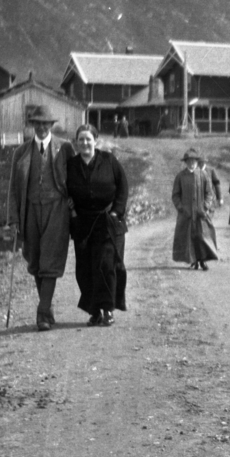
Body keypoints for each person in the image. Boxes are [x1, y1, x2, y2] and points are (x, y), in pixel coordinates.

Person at [8, 105, 76, 331]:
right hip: (30, 211)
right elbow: (13, 189)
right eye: (37, 123)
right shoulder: (21, 152)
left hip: (57, 209)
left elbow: (76, 179)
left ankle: (42, 312)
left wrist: (75, 204)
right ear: (32, 125)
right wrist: (14, 218)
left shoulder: (65, 148)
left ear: (51, 125)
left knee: (51, 258)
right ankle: (47, 308)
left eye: (46, 124)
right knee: (35, 260)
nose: (42, 127)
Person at [66, 124, 128, 327]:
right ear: (76, 142)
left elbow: (123, 186)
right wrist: (71, 210)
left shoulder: (108, 160)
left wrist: (116, 212)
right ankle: (95, 312)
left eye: (88, 139)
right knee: (84, 269)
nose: (84, 143)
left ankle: (108, 309)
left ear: (95, 141)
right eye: (80, 139)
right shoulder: (72, 165)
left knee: (106, 266)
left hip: (106, 222)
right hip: (82, 223)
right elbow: (63, 189)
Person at [172, 147, 219, 270]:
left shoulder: (203, 175)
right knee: (188, 237)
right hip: (186, 214)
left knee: (202, 236)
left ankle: (203, 260)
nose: (192, 163)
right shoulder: (180, 176)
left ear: (197, 162)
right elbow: (175, 195)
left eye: (194, 161)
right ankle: (193, 260)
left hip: (200, 213)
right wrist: (181, 208)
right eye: (189, 161)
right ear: (186, 162)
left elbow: (209, 193)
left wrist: (205, 206)